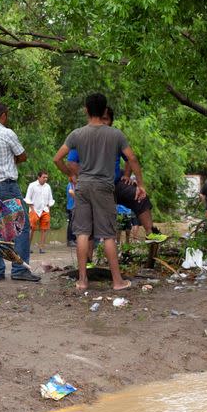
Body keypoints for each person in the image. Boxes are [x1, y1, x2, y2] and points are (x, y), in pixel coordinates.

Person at [54, 92, 145, 290]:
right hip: (104, 187)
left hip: (83, 186)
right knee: (108, 235)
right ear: (104, 111)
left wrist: (70, 176)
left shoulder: (77, 134)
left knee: (82, 233)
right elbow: (132, 158)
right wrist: (140, 184)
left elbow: (57, 159)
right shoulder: (115, 134)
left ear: (86, 110)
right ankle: (117, 281)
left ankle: (82, 280)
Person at [0, 102, 39, 282]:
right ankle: (19, 269)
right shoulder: (7, 133)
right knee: (21, 225)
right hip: (7, 186)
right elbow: (22, 155)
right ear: (3, 115)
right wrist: (8, 162)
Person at [25, 170, 55, 254]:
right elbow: (28, 198)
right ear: (38, 177)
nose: (45, 179)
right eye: (43, 177)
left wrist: (48, 208)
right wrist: (32, 209)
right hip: (34, 209)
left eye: (46, 177)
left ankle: (41, 248)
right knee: (31, 229)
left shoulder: (48, 186)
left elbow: (50, 199)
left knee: (44, 229)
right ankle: (27, 247)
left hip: (45, 210)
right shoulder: (32, 185)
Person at [66, 181, 77, 247]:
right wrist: (78, 198)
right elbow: (70, 191)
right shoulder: (70, 184)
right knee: (71, 223)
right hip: (71, 207)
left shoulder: (77, 184)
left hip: (76, 206)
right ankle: (70, 240)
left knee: (76, 223)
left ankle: (75, 239)